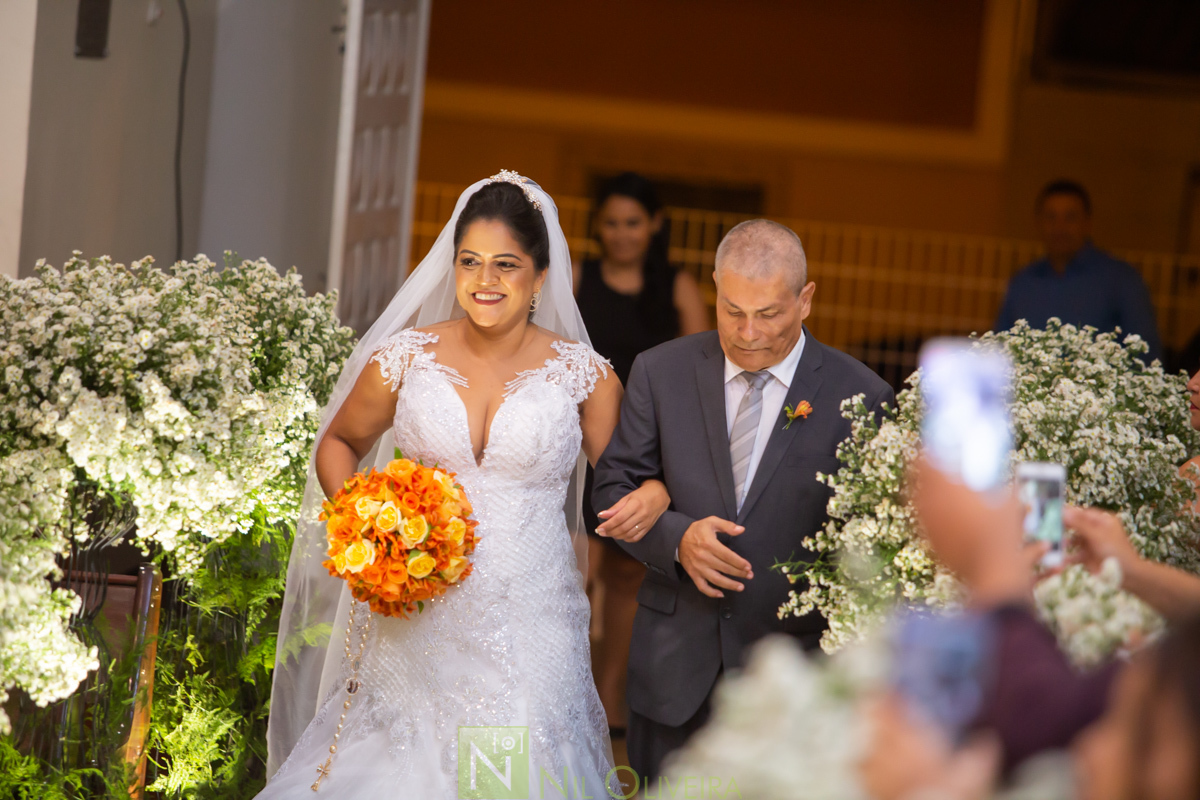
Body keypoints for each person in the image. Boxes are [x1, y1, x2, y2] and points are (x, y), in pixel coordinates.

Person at [259, 173, 671, 797]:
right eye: (471, 262)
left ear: (539, 276)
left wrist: (658, 493)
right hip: (418, 615)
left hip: (533, 619)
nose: (486, 281)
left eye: (507, 265)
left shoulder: (584, 375)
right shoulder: (406, 357)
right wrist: (366, 521)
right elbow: (339, 443)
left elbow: (623, 484)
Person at [592, 218, 894, 781]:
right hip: (674, 671)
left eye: (769, 314)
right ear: (714, 287)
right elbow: (611, 489)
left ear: (805, 300)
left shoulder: (862, 397)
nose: (748, 332)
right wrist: (676, 540)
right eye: (732, 311)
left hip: (794, 683)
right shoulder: (662, 371)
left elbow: (873, 546)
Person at [573, 172, 708, 736]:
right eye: (611, 222)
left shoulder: (676, 286)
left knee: (627, 577)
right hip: (578, 441)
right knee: (576, 571)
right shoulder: (577, 278)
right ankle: (565, 697)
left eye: (634, 222)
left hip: (647, 449)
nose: (623, 234)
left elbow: (703, 368)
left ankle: (611, 703)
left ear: (654, 225)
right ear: (597, 226)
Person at [994, 180, 1161, 362]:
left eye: (1070, 217)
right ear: (1038, 222)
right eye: (1051, 217)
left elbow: (1145, 355)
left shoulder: (1121, 281)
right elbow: (999, 348)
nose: (1059, 227)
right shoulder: (1023, 283)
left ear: (1087, 222)